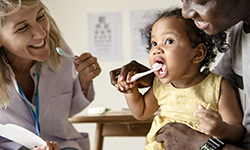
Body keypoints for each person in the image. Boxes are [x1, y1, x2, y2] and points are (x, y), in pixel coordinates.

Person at [110, 0, 250, 149]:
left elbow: (237, 131)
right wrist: (130, 90)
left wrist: (221, 129)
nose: (157, 50)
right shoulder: (161, 85)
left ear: (197, 54)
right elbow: (141, 112)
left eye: (169, 41)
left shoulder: (218, 86)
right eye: (154, 44)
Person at [0, 0, 101, 150]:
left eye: (40, 16)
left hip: (63, 145)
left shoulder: (60, 52)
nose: (41, 33)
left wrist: (84, 79)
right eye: (22, 28)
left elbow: (68, 109)